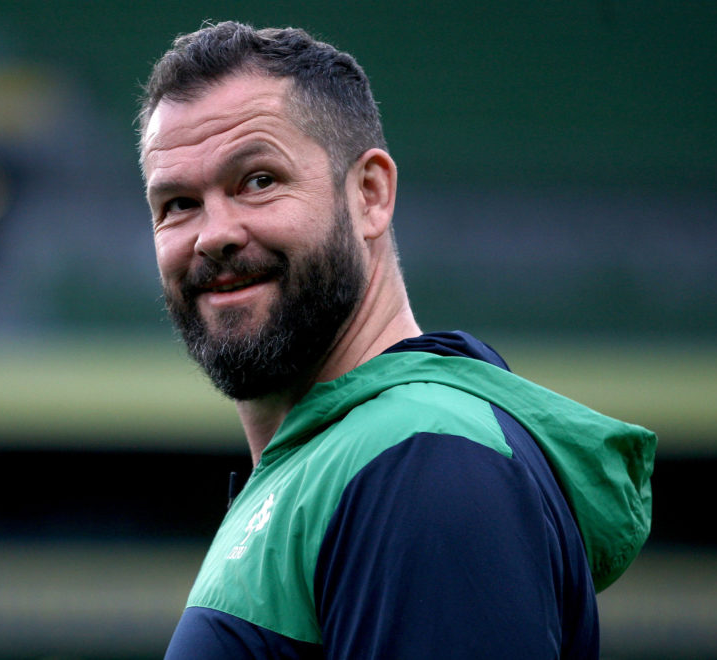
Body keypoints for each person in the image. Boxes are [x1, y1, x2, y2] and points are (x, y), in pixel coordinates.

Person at [136, 21, 656, 659]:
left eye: (259, 180)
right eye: (179, 203)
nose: (212, 233)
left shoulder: (422, 459)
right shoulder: (339, 465)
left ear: (370, 195)